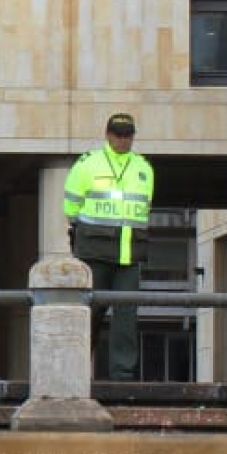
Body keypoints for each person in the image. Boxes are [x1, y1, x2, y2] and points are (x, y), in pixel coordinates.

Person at [64, 112, 155, 381]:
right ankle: (76, 371)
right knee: (89, 314)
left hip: (129, 255)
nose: (123, 140)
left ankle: (122, 376)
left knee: (126, 317)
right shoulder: (88, 164)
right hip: (95, 252)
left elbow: (144, 209)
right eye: (118, 134)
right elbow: (71, 208)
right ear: (107, 135)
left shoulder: (143, 167)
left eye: (128, 135)